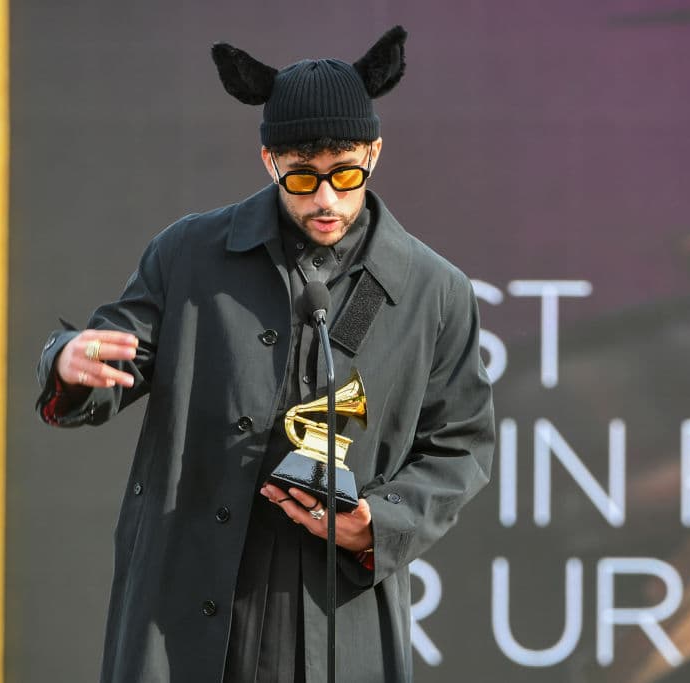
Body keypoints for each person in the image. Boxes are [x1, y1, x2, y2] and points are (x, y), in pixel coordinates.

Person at [35, 26, 495, 683]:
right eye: (303, 177)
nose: (326, 198)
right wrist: (67, 362)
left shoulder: (433, 288)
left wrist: (379, 525)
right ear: (269, 162)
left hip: (333, 608)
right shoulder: (188, 254)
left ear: (374, 152)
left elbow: (462, 443)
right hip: (186, 603)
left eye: (345, 174)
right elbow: (112, 358)